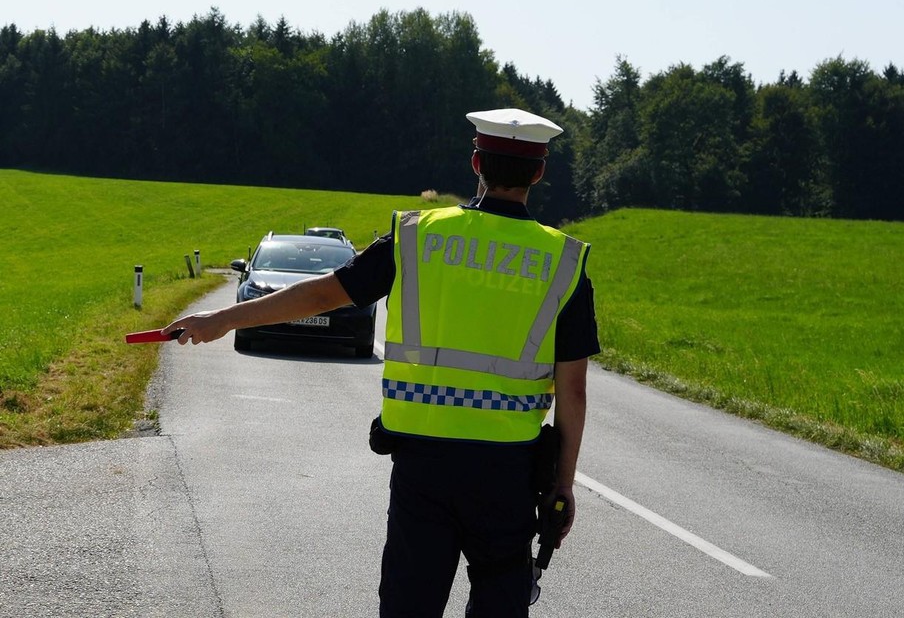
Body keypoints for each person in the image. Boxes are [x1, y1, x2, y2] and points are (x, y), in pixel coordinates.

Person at [163, 107, 599, 617]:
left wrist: (226, 318)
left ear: (476, 162)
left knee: (408, 605)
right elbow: (572, 392)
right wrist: (563, 485)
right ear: (539, 173)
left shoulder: (418, 236)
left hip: (423, 466)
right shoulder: (564, 262)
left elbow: (326, 294)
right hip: (507, 473)